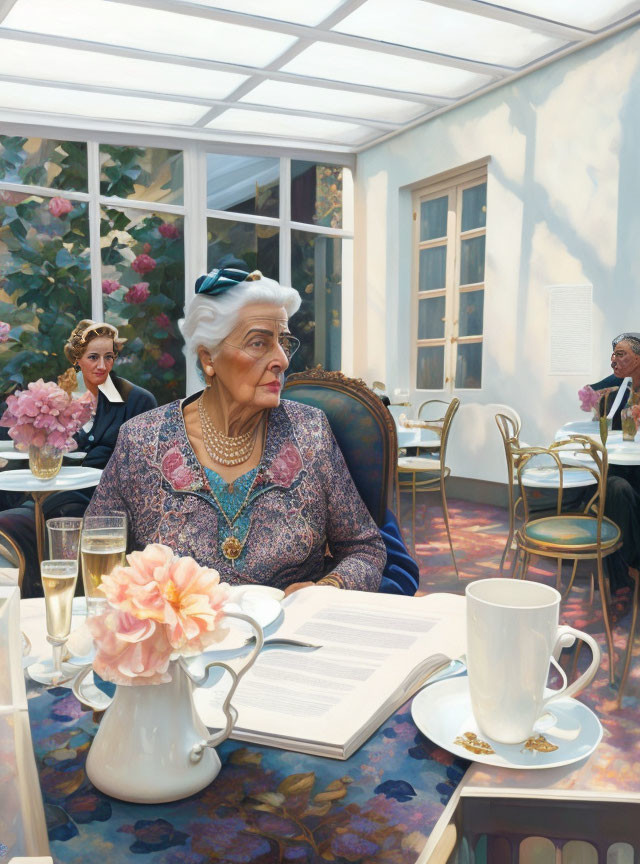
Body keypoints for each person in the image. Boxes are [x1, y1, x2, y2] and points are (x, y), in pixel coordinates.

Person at [86, 268, 385, 594]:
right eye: (259, 342)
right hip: (178, 640)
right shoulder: (141, 441)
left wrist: (328, 590)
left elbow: (365, 548)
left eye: (284, 343)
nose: (282, 360)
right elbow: (96, 553)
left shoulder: (311, 432)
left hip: (289, 638)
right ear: (209, 358)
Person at [0, 320, 156, 596]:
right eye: (93, 357)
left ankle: (48, 595)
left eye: (109, 357)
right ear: (77, 359)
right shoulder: (57, 397)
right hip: (47, 494)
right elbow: (30, 449)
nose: (102, 366)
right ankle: (33, 597)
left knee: (44, 523)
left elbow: (143, 468)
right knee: (10, 523)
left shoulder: (135, 401)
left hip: (99, 503)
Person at [591, 333, 640, 587]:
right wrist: (596, 404)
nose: (614, 361)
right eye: (614, 355)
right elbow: (589, 391)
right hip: (620, 467)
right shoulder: (621, 383)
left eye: (621, 355)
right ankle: (632, 566)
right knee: (617, 489)